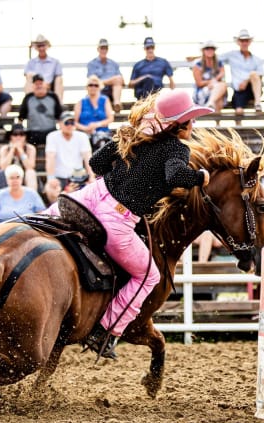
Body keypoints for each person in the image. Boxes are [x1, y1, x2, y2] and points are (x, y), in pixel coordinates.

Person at [44, 89, 212, 359]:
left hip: (86, 198)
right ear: (178, 124)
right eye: (191, 119)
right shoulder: (176, 148)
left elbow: (96, 164)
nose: (193, 124)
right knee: (149, 276)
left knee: (42, 228)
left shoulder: (135, 138)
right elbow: (175, 174)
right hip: (116, 218)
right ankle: (106, 331)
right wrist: (200, 176)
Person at [45, 111, 94, 190]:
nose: (70, 125)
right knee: (50, 190)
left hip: (78, 177)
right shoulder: (52, 136)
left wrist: (91, 176)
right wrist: (50, 178)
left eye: (72, 123)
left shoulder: (82, 136)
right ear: (60, 124)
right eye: (67, 122)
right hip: (59, 177)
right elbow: (50, 158)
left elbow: (88, 157)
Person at [220, 29, 264, 114]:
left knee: (253, 74)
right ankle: (238, 127)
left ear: (249, 42)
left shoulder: (256, 59)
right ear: (238, 42)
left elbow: (260, 74)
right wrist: (195, 58)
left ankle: (258, 103)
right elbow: (213, 57)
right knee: (239, 111)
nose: (244, 43)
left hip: (252, 90)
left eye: (246, 41)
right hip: (239, 90)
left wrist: (246, 81)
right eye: (242, 41)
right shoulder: (232, 55)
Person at [18, 73, 63, 146]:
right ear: (32, 86)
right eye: (36, 84)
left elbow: (59, 116)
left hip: (50, 131)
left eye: (41, 83)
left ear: (46, 85)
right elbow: (21, 117)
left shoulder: (53, 97)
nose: (39, 86)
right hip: (33, 132)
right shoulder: (28, 98)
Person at [0, 123, 38, 194]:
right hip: (8, 178)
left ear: (25, 137)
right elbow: (3, 167)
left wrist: (21, 151)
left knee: (30, 172)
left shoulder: (30, 148)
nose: (18, 137)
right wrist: (12, 150)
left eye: (22, 134)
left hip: (24, 177)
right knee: (2, 173)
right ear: (10, 137)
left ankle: (31, 197)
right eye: (15, 134)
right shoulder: (5, 149)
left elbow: (30, 166)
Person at [74, 75, 114, 151]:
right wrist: (85, 128)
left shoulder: (105, 100)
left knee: (102, 142)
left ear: (99, 87)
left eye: (96, 85)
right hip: (85, 133)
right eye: (90, 85)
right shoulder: (80, 102)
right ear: (87, 87)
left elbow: (110, 118)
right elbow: (75, 122)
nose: (93, 87)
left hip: (102, 133)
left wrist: (97, 124)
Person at [87, 38, 124, 112]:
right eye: (102, 48)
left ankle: (116, 104)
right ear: (98, 49)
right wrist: (110, 81)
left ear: (108, 49)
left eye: (105, 48)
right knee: (96, 84)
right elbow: (91, 79)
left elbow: (121, 80)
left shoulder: (114, 64)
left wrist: (106, 82)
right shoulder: (92, 64)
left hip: (112, 91)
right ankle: (115, 104)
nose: (104, 50)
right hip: (99, 89)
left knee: (118, 82)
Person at [24, 34, 64, 104]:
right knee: (29, 76)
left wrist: (46, 85)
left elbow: (58, 76)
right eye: (39, 46)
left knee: (59, 79)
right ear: (36, 48)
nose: (41, 48)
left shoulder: (55, 62)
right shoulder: (30, 63)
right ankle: (28, 103)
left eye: (43, 45)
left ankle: (59, 104)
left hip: (50, 86)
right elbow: (28, 77)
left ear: (47, 46)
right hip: (35, 86)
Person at [192, 40, 227, 113]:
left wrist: (214, 82)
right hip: (203, 91)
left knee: (220, 95)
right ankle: (211, 104)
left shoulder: (218, 62)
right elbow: (199, 83)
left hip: (216, 89)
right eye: (207, 48)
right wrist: (211, 82)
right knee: (222, 86)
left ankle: (211, 103)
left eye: (212, 48)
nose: (210, 50)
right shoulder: (197, 64)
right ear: (203, 50)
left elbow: (222, 72)